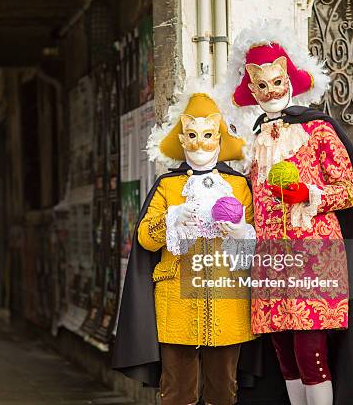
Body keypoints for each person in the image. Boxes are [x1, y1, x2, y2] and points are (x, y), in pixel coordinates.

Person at [224, 21, 353, 405]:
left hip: (314, 257)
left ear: (290, 78)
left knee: (310, 352)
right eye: (262, 85)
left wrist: (308, 193)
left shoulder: (317, 131)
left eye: (276, 81)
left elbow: (348, 190)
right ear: (251, 89)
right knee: (284, 354)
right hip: (269, 261)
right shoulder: (251, 143)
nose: (271, 91)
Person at [113, 92, 270, 405]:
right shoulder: (168, 185)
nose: (200, 144)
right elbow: (145, 238)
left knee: (224, 388)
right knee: (177, 389)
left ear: (220, 137)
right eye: (193, 136)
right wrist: (172, 218)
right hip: (176, 300)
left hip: (228, 301)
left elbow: (258, 243)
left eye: (208, 135)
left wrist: (241, 231)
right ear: (182, 139)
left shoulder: (239, 185)